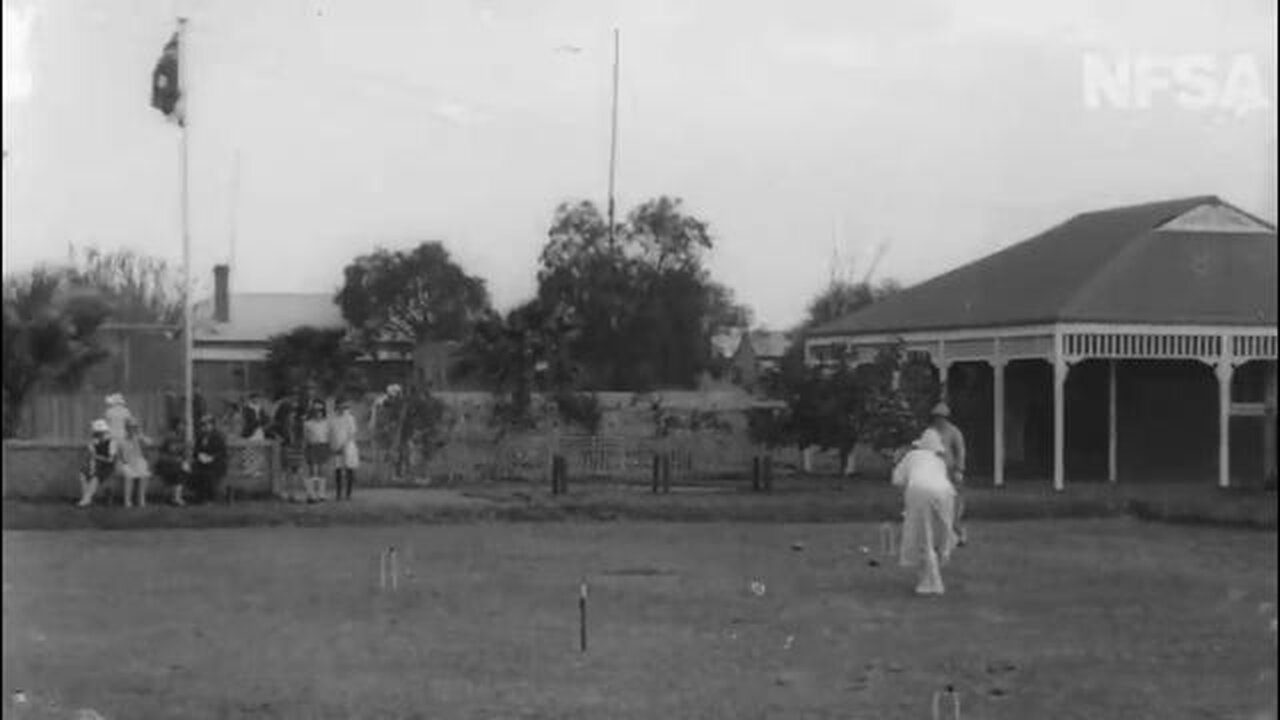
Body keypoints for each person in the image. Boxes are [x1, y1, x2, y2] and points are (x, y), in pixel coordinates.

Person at [891, 428, 959, 596]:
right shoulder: (939, 461)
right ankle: (935, 568)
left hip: (919, 491)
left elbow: (897, 480)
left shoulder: (911, 456)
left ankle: (931, 583)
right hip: (945, 492)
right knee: (942, 534)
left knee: (924, 536)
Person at [929, 402, 968, 545]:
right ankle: (939, 538)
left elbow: (960, 451)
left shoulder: (953, 432)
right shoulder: (930, 432)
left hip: (950, 474)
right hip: (933, 473)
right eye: (936, 417)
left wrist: (959, 469)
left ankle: (960, 534)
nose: (938, 420)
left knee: (954, 508)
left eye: (941, 417)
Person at [76, 419, 118, 507]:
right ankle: (87, 498)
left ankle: (86, 499)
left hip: (108, 466)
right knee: (83, 473)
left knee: (96, 476)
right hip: (97, 464)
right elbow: (91, 455)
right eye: (97, 433)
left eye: (100, 432)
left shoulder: (111, 442)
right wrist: (92, 464)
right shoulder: (93, 442)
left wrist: (97, 458)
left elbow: (110, 459)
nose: (98, 434)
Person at [117, 418, 154, 507]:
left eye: (134, 427)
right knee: (128, 475)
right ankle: (127, 501)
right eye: (130, 427)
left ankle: (141, 499)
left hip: (139, 462)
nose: (132, 429)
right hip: (127, 463)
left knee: (144, 474)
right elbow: (120, 457)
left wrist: (141, 436)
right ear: (126, 428)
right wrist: (123, 463)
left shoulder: (139, 438)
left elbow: (150, 443)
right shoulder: (122, 440)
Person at [191, 415, 228, 503]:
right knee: (195, 471)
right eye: (203, 425)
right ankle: (200, 497)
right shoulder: (200, 437)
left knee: (209, 474)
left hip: (217, 464)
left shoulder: (218, 437)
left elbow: (222, 453)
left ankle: (211, 497)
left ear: (212, 425)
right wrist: (199, 456)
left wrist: (212, 457)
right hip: (202, 463)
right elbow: (196, 452)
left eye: (206, 425)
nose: (204, 427)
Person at [329, 398, 360, 500]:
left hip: (348, 446)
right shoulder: (333, 419)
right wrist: (333, 446)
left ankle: (348, 493)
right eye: (339, 406)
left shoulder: (350, 418)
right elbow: (331, 433)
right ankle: (338, 493)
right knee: (338, 470)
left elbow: (352, 433)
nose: (341, 408)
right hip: (336, 446)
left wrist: (344, 445)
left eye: (343, 406)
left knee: (349, 470)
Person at [154, 419, 189, 506]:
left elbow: (182, 453)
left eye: (184, 425)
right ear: (176, 426)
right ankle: (176, 498)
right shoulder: (170, 436)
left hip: (174, 462)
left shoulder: (181, 436)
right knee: (180, 472)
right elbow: (171, 449)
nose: (183, 427)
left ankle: (175, 497)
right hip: (165, 463)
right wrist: (184, 447)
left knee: (183, 470)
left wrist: (184, 455)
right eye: (181, 425)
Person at [302, 400, 331, 502]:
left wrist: (329, 447)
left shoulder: (326, 423)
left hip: (323, 446)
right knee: (313, 470)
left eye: (320, 410)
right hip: (312, 446)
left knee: (322, 470)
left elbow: (328, 435)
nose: (318, 413)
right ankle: (311, 494)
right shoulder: (308, 423)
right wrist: (305, 449)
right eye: (315, 410)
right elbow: (305, 437)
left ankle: (321, 493)